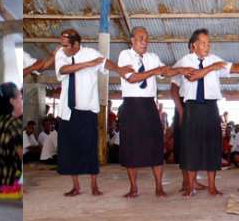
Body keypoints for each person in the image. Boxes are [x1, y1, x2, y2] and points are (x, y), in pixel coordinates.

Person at [50, 29, 121, 197]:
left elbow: (105, 63)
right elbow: (63, 70)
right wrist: (88, 64)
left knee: (90, 148)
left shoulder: (90, 53)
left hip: (88, 110)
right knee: (70, 149)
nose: (63, 48)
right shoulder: (61, 53)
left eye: (67, 45)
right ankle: (76, 186)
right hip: (68, 111)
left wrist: (120, 69)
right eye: (62, 45)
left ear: (76, 44)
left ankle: (94, 185)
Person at [169, 29, 236, 196]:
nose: (207, 46)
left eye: (208, 43)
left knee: (212, 145)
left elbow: (231, 67)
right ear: (194, 45)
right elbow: (174, 76)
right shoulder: (185, 60)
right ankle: (190, 186)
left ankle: (212, 186)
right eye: (204, 43)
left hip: (211, 106)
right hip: (191, 107)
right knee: (191, 147)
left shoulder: (215, 60)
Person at [116, 27, 170, 197]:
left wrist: (182, 70)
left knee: (156, 145)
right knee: (131, 147)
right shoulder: (125, 55)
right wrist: (154, 71)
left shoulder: (153, 57)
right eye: (140, 38)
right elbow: (131, 78)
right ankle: (133, 188)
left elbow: (165, 71)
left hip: (149, 105)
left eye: (146, 38)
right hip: (131, 105)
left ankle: (159, 187)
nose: (144, 42)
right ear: (132, 40)